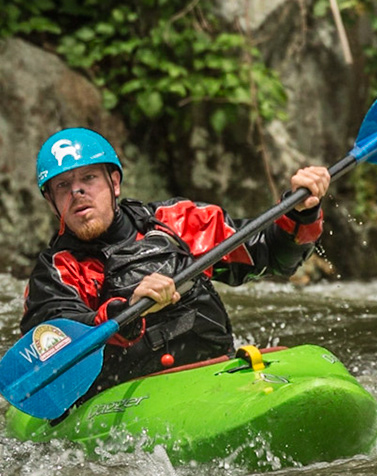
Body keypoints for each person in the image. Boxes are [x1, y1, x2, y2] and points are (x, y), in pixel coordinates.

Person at [19, 126, 330, 402]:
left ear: (114, 183)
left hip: (214, 373)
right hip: (131, 397)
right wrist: (125, 310)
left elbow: (271, 255)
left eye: (88, 178)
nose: (77, 192)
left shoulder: (177, 223)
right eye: (63, 186)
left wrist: (302, 213)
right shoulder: (54, 272)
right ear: (51, 202)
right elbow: (54, 344)